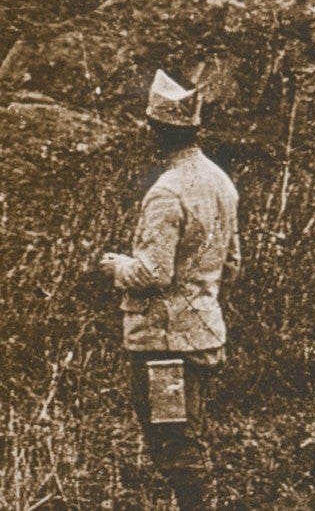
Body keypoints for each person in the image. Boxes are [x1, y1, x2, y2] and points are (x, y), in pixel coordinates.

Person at [95, 70, 241, 511]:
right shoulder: (220, 181)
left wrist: (115, 265)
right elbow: (232, 265)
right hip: (203, 335)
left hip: (164, 344)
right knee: (187, 433)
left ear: (155, 131)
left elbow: (154, 274)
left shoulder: (167, 191)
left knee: (173, 443)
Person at [279, 0, 315, 119]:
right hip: (305, 59)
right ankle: (297, 135)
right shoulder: (310, 14)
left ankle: (284, 134)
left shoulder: (284, 10)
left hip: (287, 56)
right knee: (303, 97)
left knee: (288, 95)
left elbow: (278, 33)